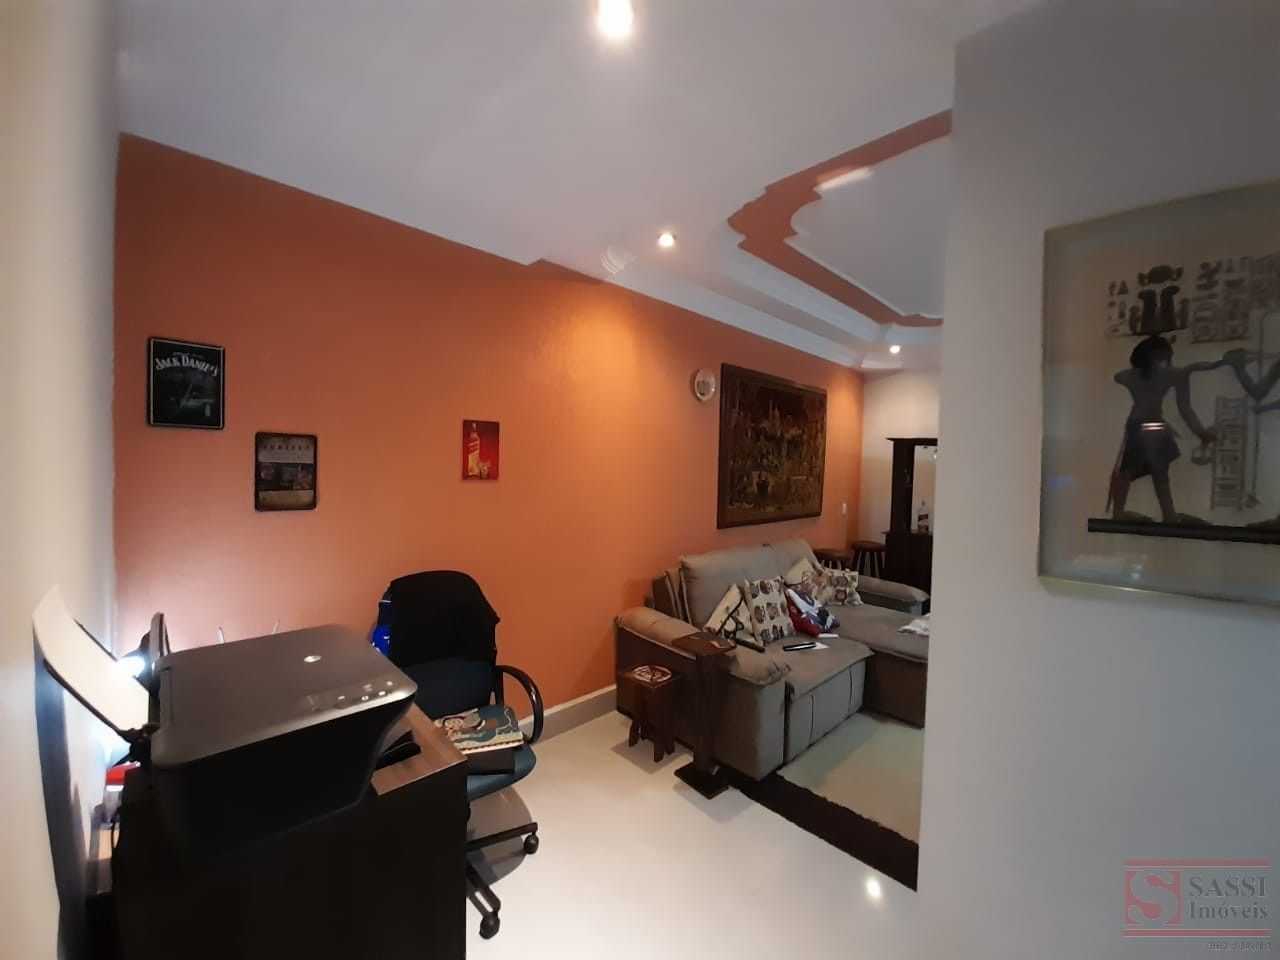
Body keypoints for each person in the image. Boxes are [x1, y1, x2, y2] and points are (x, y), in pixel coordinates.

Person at [1109, 335, 1223, 523]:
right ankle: (1167, 514)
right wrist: (1200, 432)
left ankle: (1121, 512)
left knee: (1129, 469)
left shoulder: (1130, 376)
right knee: (1157, 470)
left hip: (1136, 423)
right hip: (1154, 424)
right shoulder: (1173, 374)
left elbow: (1118, 376)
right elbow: (1185, 409)